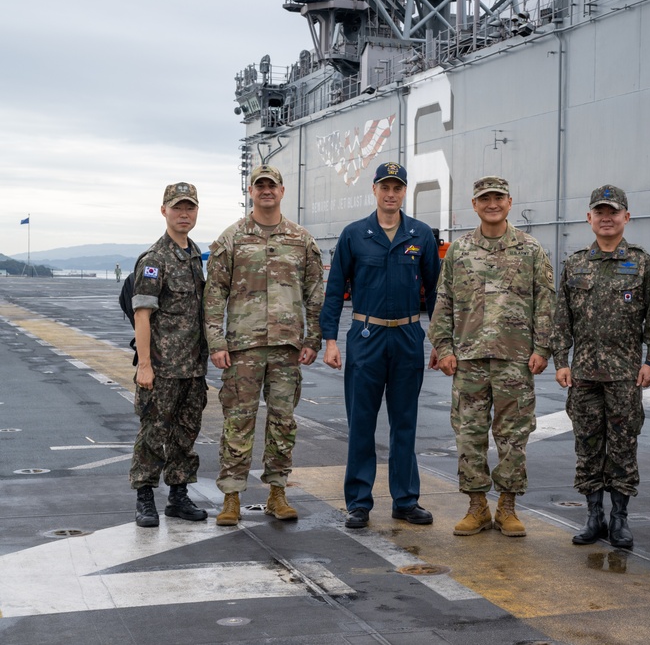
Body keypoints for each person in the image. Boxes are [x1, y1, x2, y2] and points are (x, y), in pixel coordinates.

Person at [428, 175, 555, 537]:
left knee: (513, 436)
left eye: (498, 198)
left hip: (515, 360)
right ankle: (477, 506)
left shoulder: (530, 250)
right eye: (485, 199)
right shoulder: (460, 251)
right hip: (467, 359)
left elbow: (545, 302)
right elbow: (444, 303)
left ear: (509, 202)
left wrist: (542, 347)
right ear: (475, 205)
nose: (492, 204)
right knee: (469, 434)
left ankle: (508, 508)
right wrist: (444, 348)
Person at [321, 162, 441, 529]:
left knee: (405, 422)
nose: (391, 194)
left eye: (398, 188)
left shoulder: (420, 235)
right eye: (385, 187)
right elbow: (334, 290)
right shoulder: (355, 234)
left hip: (407, 337)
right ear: (374, 189)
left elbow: (437, 292)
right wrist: (330, 341)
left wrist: (440, 340)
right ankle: (358, 501)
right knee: (361, 423)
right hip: (366, 337)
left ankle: (405, 500)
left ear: (404, 192)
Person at [204, 164, 325, 526]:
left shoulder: (301, 240)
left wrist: (313, 338)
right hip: (243, 347)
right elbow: (214, 295)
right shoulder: (232, 238)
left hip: (287, 347)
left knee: (282, 422)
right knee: (237, 421)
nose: (266, 191)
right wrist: (216, 341)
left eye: (272, 186)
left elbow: (315, 293)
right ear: (251, 192)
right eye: (260, 186)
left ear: (282, 191)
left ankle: (277, 492)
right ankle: (231, 496)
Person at [551, 185, 650, 549]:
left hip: (624, 375)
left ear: (625, 218)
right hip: (584, 374)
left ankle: (619, 518)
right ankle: (593, 516)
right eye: (599, 212)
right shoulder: (574, 264)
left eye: (613, 212)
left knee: (622, 446)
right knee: (586, 446)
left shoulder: (642, 263)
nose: (606, 218)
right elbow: (562, 319)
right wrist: (561, 361)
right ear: (589, 218)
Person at [129, 182, 209, 527]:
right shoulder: (154, 259)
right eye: (177, 208)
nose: (184, 214)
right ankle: (145, 499)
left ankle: (178, 497)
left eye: (189, 207)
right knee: (152, 435)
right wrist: (145, 366)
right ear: (164, 211)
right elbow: (142, 314)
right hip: (161, 368)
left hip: (193, 367)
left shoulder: (194, 256)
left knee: (185, 434)